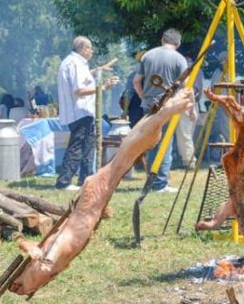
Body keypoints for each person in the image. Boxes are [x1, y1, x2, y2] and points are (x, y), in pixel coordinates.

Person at [55, 36, 119, 191]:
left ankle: (85, 179)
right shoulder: (76, 63)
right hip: (79, 111)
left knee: (87, 147)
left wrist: (99, 69)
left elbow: (81, 78)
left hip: (81, 112)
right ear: (82, 49)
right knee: (78, 146)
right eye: (90, 48)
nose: (92, 51)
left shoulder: (72, 62)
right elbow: (78, 90)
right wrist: (102, 87)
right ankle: (64, 181)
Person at [133, 28, 188, 193]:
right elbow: (185, 86)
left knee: (151, 144)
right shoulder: (179, 59)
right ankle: (160, 184)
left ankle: (152, 181)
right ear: (177, 43)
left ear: (162, 39)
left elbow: (137, 81)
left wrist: (145, 97)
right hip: (167, 107)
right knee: (165, 144)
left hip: (148, 107)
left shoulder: (147, 56)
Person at [174, 54, 202, 169]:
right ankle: (187, 159)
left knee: (184, 134)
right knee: (187, 133)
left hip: (185, 102)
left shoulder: (184, 69)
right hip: (190, 102)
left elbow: (191, 89)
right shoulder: (198, 70)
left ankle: (189, 161)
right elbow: (197, 89)